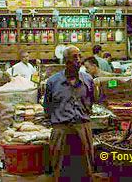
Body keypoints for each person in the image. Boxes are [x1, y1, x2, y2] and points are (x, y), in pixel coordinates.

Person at [43, 46, 95, 181]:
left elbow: (90, 102)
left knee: (86, 169)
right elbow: (47, 108)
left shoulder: (88, 80)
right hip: (61, 129)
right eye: (74, 57)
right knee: (60, 170)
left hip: (83, 128)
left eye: (79, 56)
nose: (78, 60)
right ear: (65, 61)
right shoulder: (53, 82)